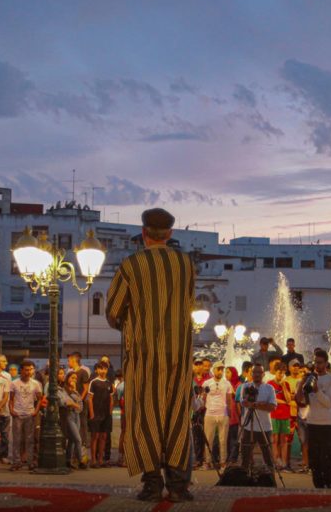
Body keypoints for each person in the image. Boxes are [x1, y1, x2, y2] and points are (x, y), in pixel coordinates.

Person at [106, 207, 196, 503]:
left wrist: (130, 325)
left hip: (144, 354)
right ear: (169, 234)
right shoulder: (186, 265)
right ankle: (180, 486)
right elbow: (189, 305)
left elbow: (113, 311)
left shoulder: (131, 265)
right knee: (178, 416)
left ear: (144, 233)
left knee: (145, 415)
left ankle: (153, 484)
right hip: (179, 353)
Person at [295, 348, 331, 489]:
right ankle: (318, 489)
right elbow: (301, 401)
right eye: (315, 362)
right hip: (312, 423)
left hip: (327, 424)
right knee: (314, 460)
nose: (317, 365)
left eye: (320, 363)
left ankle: (330, 487)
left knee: (327, 459)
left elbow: (327, 403)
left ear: (326, 363)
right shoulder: (310, 379)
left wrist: (317, 390)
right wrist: (302, 383)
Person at [240, 363, 276, 471]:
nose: (256, 375)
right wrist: (261, 404)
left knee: (268, 456)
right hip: (248, 426)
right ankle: (244, 477)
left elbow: (272, 407)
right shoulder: (246, 386)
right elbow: (244, 403)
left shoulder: (269, 388)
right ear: (251, 373)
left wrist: (256, 405)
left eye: (259, 372)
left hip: (264, 427)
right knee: (245, 456)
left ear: (263, 374)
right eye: (254, 372)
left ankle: (272, 479)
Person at [9, 360, 42, 471]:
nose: (28, 372)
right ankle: (16, 462)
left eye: (30, 369)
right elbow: (11, 398)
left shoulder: (36, 384)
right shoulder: (14, 383)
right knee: (17, 439)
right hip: (18, 414)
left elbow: (40, 399)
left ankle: (30, 462)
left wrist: (36, 411)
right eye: (26, 369)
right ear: (21, 370)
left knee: (30, 440)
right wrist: (11, 410)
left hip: (30, 414)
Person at [202, 362, 233, 470]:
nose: (220, 371)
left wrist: (229, 413)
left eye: (222, 369)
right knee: (208, 439)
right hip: (210, 414)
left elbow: (229, 399)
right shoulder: (206, 383)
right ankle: (207, 462)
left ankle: (223, 462)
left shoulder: (227, 384)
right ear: (213, 370)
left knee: (223, 440)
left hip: (223, 414)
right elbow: (203, 398)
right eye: (218, 369)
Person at [88, 361, 114, 468]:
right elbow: (90, 399)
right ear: (97, 370)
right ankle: (93, 459)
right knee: (95, 436)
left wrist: (110, 412)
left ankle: (100, 460)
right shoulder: (93, 382)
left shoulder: (109, 383)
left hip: (106, 414)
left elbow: (112, 399)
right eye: (101, 368)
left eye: (105, 369)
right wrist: (92, 413)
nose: (103, 371)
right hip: (96, 413)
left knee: (104, 436)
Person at [267, 361, 291, 472]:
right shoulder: (269, 384)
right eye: (279, 372)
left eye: (283, 373)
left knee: (284, 440)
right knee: (274, 440)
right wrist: (283, 402)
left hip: (285, 415)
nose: (281, 375)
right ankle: (275, 462)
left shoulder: (286, 384)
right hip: (274, 415)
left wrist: (283, 387)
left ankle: (283, 464)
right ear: (275, 372)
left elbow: (289, 400)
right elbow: (272, 399)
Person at [61, 371, 85, 469]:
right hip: (69, 415)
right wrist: (75, 404)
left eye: (75, 378)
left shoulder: (75, 391)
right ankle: (81, 460)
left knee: (71, 440)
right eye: (72, 378)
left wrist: (75, 391)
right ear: (67, 378)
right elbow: (67, 402)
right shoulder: (64, 390)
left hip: (77, 416)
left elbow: (80, 405)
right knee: (78, 439)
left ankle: (68, 460)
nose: (74, 380)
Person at [225, 366, 241, 466]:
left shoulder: (239, 385)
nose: (226, 375)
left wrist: (233, 393)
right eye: (225, 372)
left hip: (235, 414)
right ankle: (227, 457)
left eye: (228, 372)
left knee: (234, 437)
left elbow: (239, 398)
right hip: (226, 413)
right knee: (226, 437)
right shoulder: (225, 384)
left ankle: (233, 458)